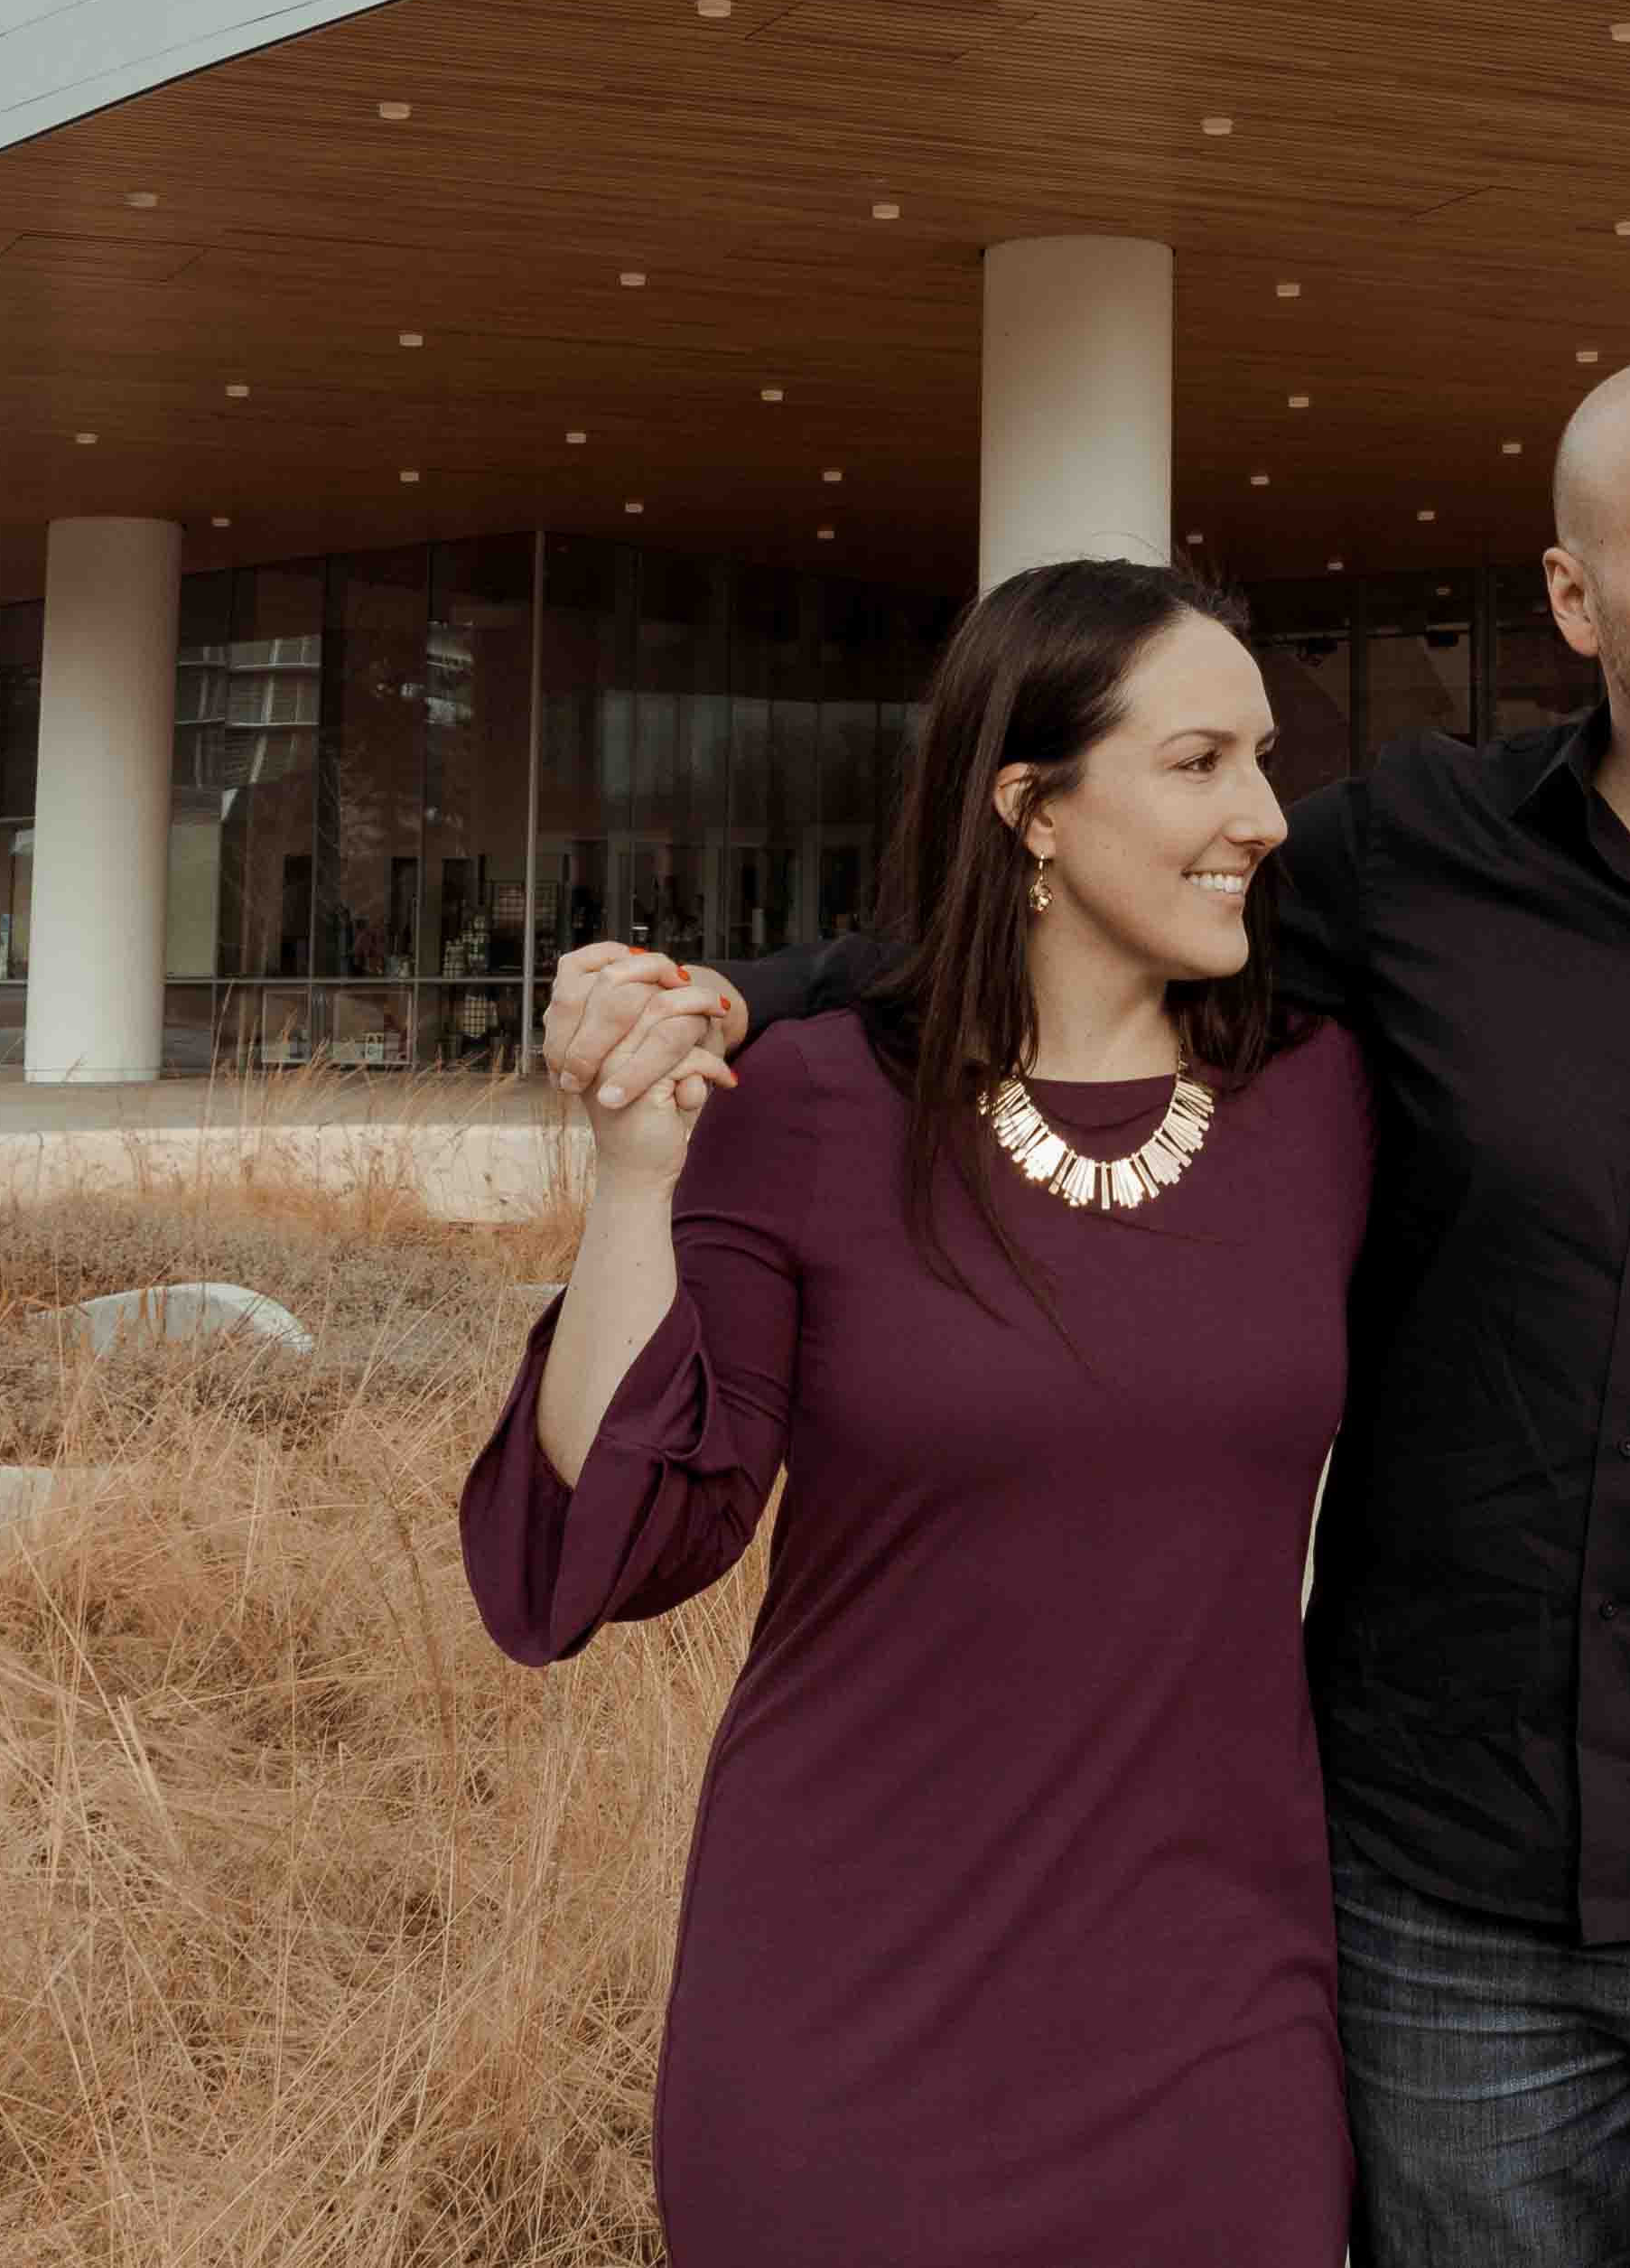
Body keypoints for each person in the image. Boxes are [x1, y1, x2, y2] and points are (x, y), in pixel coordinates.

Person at [557, 350, 1630, 2262]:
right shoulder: (1403, 864)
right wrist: (735, 1000)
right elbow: (1071, 901)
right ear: (1573, 597)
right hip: (1451, 1920)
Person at [461, 555, 1366, 2264]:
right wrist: (632, 1180)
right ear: (1031, 804)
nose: (1264, 814)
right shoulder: (806, 1102)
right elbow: (620, 1541)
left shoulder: (1327, 1099)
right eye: (1198, 763)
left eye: (1263, 761)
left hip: (1217, 2014)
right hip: (846, 2012)